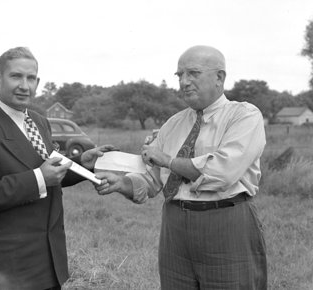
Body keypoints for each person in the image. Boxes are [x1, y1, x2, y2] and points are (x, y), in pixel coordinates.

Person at [95, 45, 267, 289]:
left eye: (193, 73)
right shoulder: (173, 124)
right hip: (175, 227)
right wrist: (122, 183)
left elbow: (222, 171)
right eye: (180, 75)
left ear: (220, 77)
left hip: (226, 221)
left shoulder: (244, 116)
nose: (184, 82)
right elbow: (152, 179)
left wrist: (167, 159)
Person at [0, 47, 115, 290]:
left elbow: (50, 172)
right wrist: (39, 178)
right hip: (9, 266)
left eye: (31, 78)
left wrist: (82, 164)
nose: (24, 85)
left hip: (49, 259)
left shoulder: (40, 122)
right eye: (16, 76)